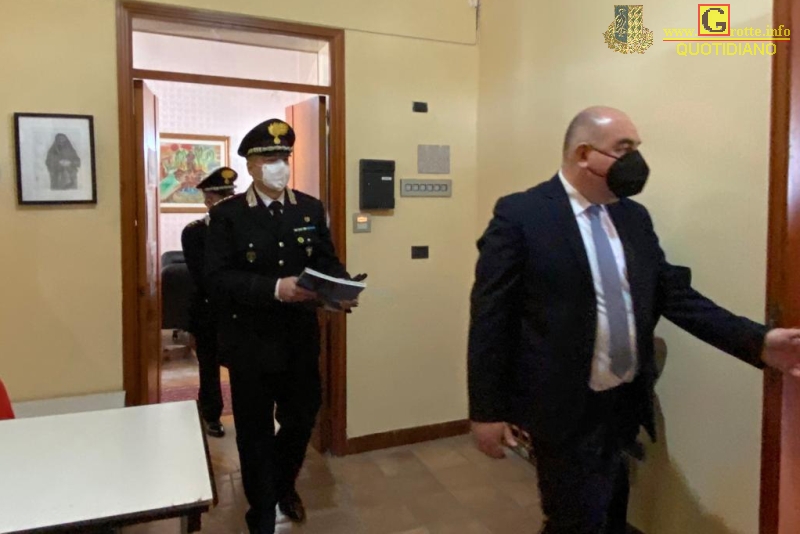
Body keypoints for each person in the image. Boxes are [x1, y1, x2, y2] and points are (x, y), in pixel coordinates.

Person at [468, 106, 800, 534]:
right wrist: (487, 411)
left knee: (611, 509)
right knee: (573, 521)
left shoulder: (633, 217)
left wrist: (758, 342)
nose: (636, 161)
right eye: (623, 149)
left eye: (637, 148)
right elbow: (490, 318)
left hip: (623, 402)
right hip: (562, 407)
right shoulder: (522, 215)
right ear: (584, 154)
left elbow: (676, 297)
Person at [205, 118, 363, 534]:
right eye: (270, 158)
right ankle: (261, 512)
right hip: (250, 343)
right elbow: (217, 279)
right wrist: (276, 288)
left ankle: (282, 484)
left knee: (301, 418)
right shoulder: (227, 215)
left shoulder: (308, 208)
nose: (279, 165)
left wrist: (339, 288)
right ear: (251, 166)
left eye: (284, 157)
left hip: (299, 339)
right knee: (254, 432)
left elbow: (326, 260)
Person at [181, 166, 238, 438]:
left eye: (230, 197)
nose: (226, 202)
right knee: (209, 366)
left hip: (239, 310)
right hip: (208, 309)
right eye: (220, 198)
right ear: (207, 201)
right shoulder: (194, 232)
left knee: (241, 365)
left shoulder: (244, 228)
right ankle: (211, 414)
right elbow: (203, 276)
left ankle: (245, 413)